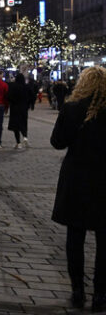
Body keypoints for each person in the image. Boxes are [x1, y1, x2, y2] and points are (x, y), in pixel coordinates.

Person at [50, 66, 106, 311]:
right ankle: (100, 294)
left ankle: (77, 291)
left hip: (77, 177)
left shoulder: (72, 107)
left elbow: (57, 142)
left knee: (75, 236)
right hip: (104, 179)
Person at [7, 72, 34, 149]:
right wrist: (30, 104)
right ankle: (25, 137)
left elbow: (8, 96)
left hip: (14, 108)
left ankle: (18, 142)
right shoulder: (27, 87)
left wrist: (11, 102)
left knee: (15, 126)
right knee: (24, 123)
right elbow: (32, 96)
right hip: (24, 108)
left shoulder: (13, 86)